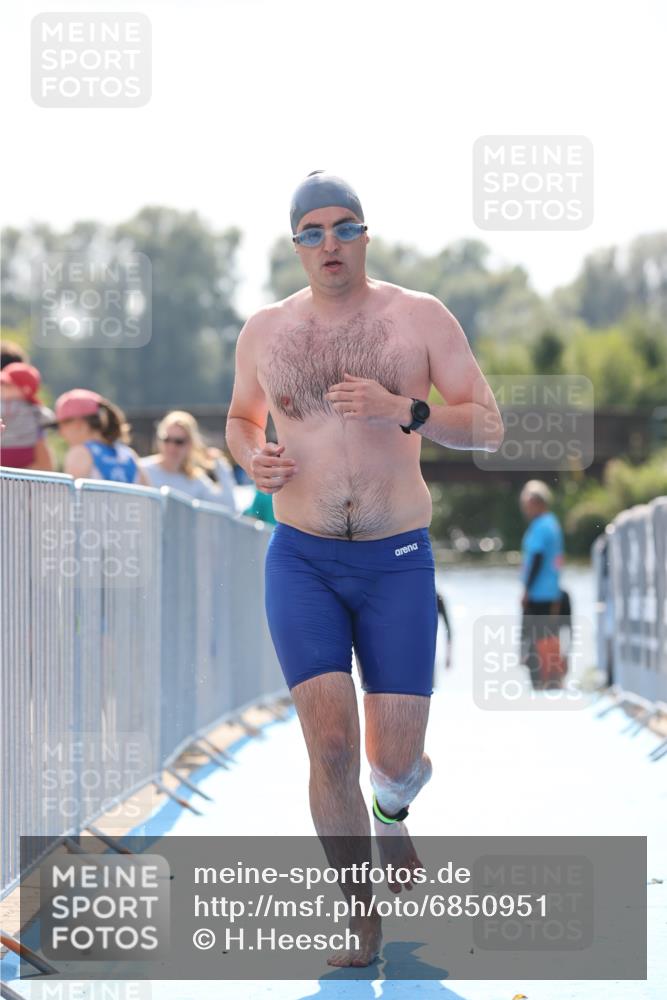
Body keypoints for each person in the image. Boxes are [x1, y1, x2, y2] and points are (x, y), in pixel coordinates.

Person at [225, 169, 504, 967]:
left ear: (365, 234)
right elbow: (241, 420)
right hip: (302, 559)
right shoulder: (264, 332)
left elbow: (486, 426)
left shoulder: (417, 318)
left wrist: (403, 410)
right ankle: (360, 921)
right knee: (332, 750)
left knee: (393, 761)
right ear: (295, 246)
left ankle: (393, 811)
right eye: (311, 232)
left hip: (398, 562)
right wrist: (255, 459)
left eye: (343, 227)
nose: (328, 244)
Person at [519, 480, 565, 689]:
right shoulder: (552, 523)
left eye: (527, 505)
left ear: (537, 503)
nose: (525, 510)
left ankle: (544, 681)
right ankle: (553, 679)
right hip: (551, 590)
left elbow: (537, 558)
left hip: (539, 592)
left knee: (537, 637)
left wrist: (527, 589)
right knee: (548, 634)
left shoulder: (541, 526)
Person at [54, 388, 149, 485]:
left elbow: (70, 498)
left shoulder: (80, 453)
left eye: (61, 425)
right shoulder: (129, 455)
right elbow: (149, 497)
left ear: (78, 423)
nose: (60, 433)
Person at [140, 410, 231, 504]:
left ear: (190, 444)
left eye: (179, 442)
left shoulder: (195, 480)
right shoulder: (141, 469)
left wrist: (220, 466)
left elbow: (228, 505)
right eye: (167, 440)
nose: (171, 447)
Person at [0, 361, 55, 470]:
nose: (1, 387)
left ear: (26, 389)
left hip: (25, 464)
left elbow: (45, 464)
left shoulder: (35, 413)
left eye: (7, 384)